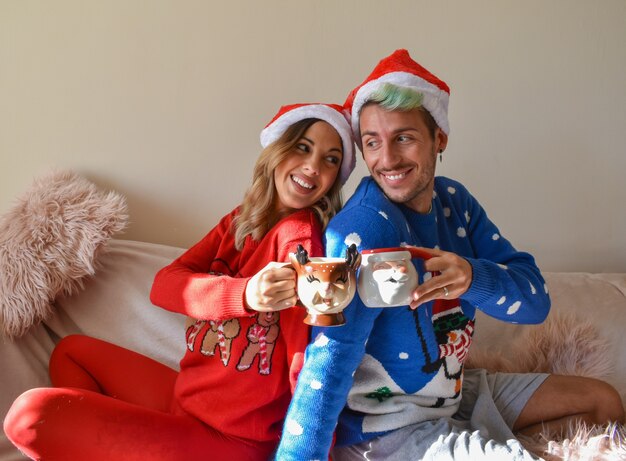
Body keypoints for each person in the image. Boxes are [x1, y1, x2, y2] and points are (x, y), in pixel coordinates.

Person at [275, 49, 625, 461]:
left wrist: (473, 278)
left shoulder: (454, 201)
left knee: (601, 403)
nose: (386, 160)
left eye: (403, 137)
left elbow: (535, 303)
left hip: (454, 393)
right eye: (372, 142)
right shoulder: (365, 229)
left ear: (439, 138)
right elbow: (328, 360)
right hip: (386, 430)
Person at [3, 103, 355, 461]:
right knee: (71, 352)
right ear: (277, 150)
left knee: (30, 418)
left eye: (331, 159)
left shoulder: (300, 238)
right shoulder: (239, 223)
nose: (314, 166)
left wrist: (308, 452)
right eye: (303, 147)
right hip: (183, 401)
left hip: (230, 440)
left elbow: (309, 356)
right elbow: (166, 286)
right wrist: (244, 293)